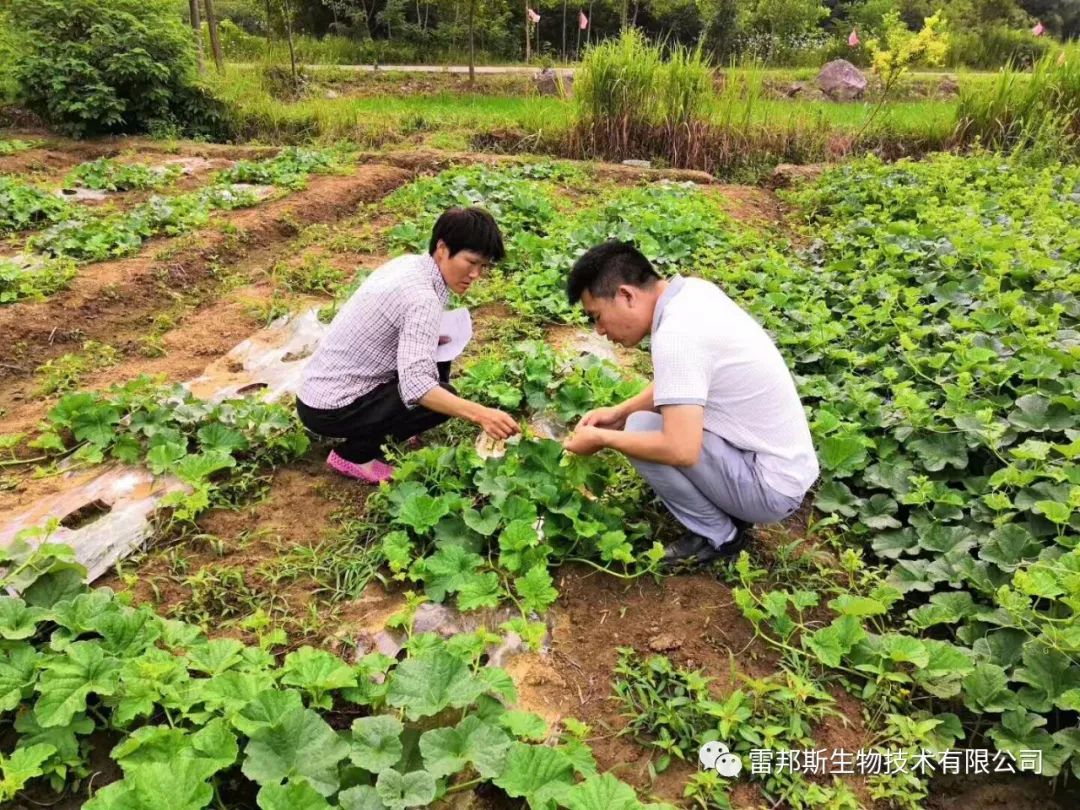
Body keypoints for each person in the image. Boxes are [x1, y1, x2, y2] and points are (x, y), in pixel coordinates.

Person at [561, 240, 819, 566]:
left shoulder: (676, 336)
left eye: (597, 316)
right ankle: (728, 509)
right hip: (781, 465)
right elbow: (681, 381)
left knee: (641, 431)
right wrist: (619, 411)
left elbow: (682, 450)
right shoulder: (692, 294)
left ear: (626, 295)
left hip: (771, 489)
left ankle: (721, 536)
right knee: (635, 420)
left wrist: (602, 438)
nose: (599, 331)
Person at [297, 207, 520, 484]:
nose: (476, 274)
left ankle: (394, 424)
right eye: (470, 262)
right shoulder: (421, 298)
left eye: (483, 266)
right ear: (442, 248)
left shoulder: (411, 265)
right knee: (434, 401)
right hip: (331, 407)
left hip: (317, 391)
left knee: (438, 355)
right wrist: (482, 414)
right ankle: (354, 456)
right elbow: (417, 387)